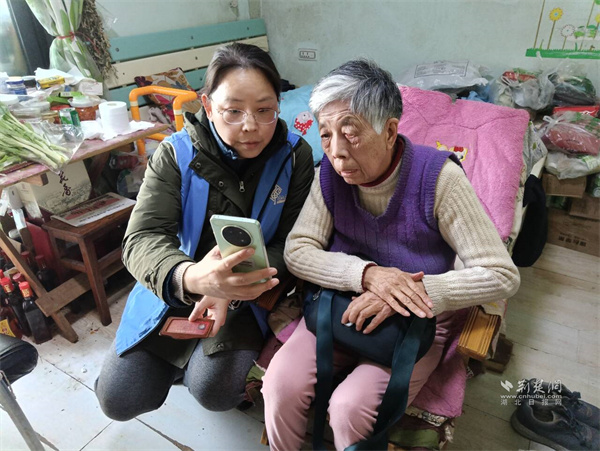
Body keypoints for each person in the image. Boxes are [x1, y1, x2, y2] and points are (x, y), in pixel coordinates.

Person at [261, 59, 521, 450]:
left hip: (412, 325)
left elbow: (501, 274)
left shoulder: (438, 180)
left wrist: (412, 293)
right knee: (279, 385)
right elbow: (298, 251)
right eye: (326, 134)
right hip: (339, 308)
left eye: (350, 133)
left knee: (350, 409)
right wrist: (368, 276)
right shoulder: (329, 174)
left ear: (389, 131)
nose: (336, 151)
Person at [95, 43, 314, 421]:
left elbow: (292, 241)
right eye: (233, 110)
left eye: (265, 110)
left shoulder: (294, 157)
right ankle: (175, 361)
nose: (250, 125)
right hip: (175, 285)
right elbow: (142, 238)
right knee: (119, 398)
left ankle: (196, 366)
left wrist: (233, 289)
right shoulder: (175, 154)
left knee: (215, 391)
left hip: (247, 293)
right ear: (208, 106)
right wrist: (191, 277)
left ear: (278, 106)